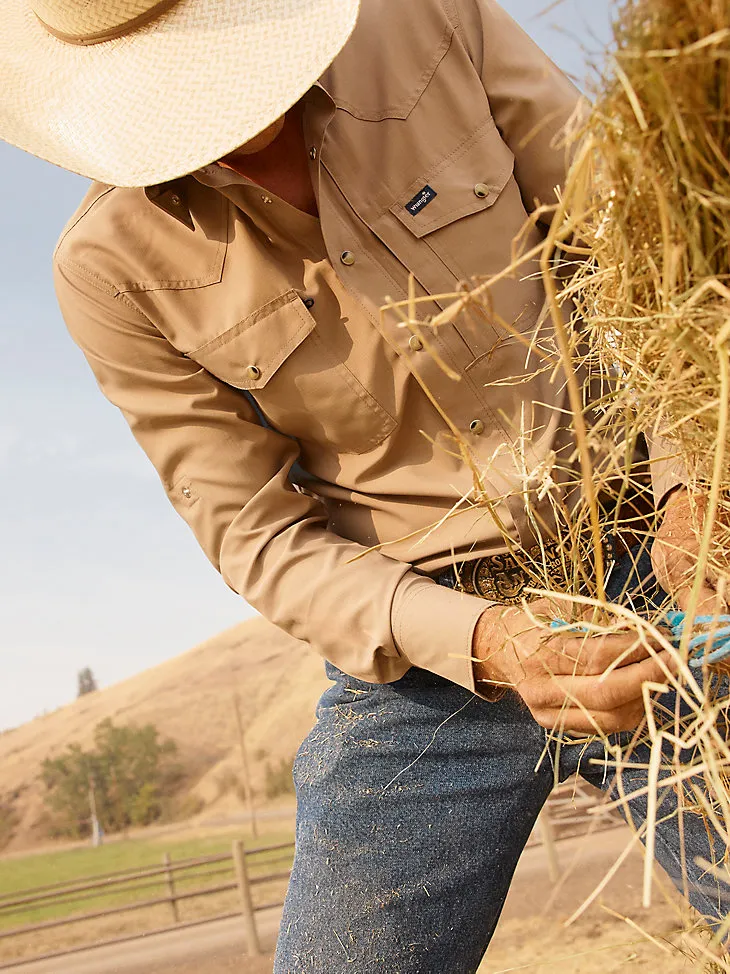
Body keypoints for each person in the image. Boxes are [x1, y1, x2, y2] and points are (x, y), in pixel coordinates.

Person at [2, 0, 727, 970]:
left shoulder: (428, 19)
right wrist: (489, 640)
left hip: (660, 565)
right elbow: (259, 538)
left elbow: (640, 252)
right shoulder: (108, 270)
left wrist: (692, 486)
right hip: (428, 661)